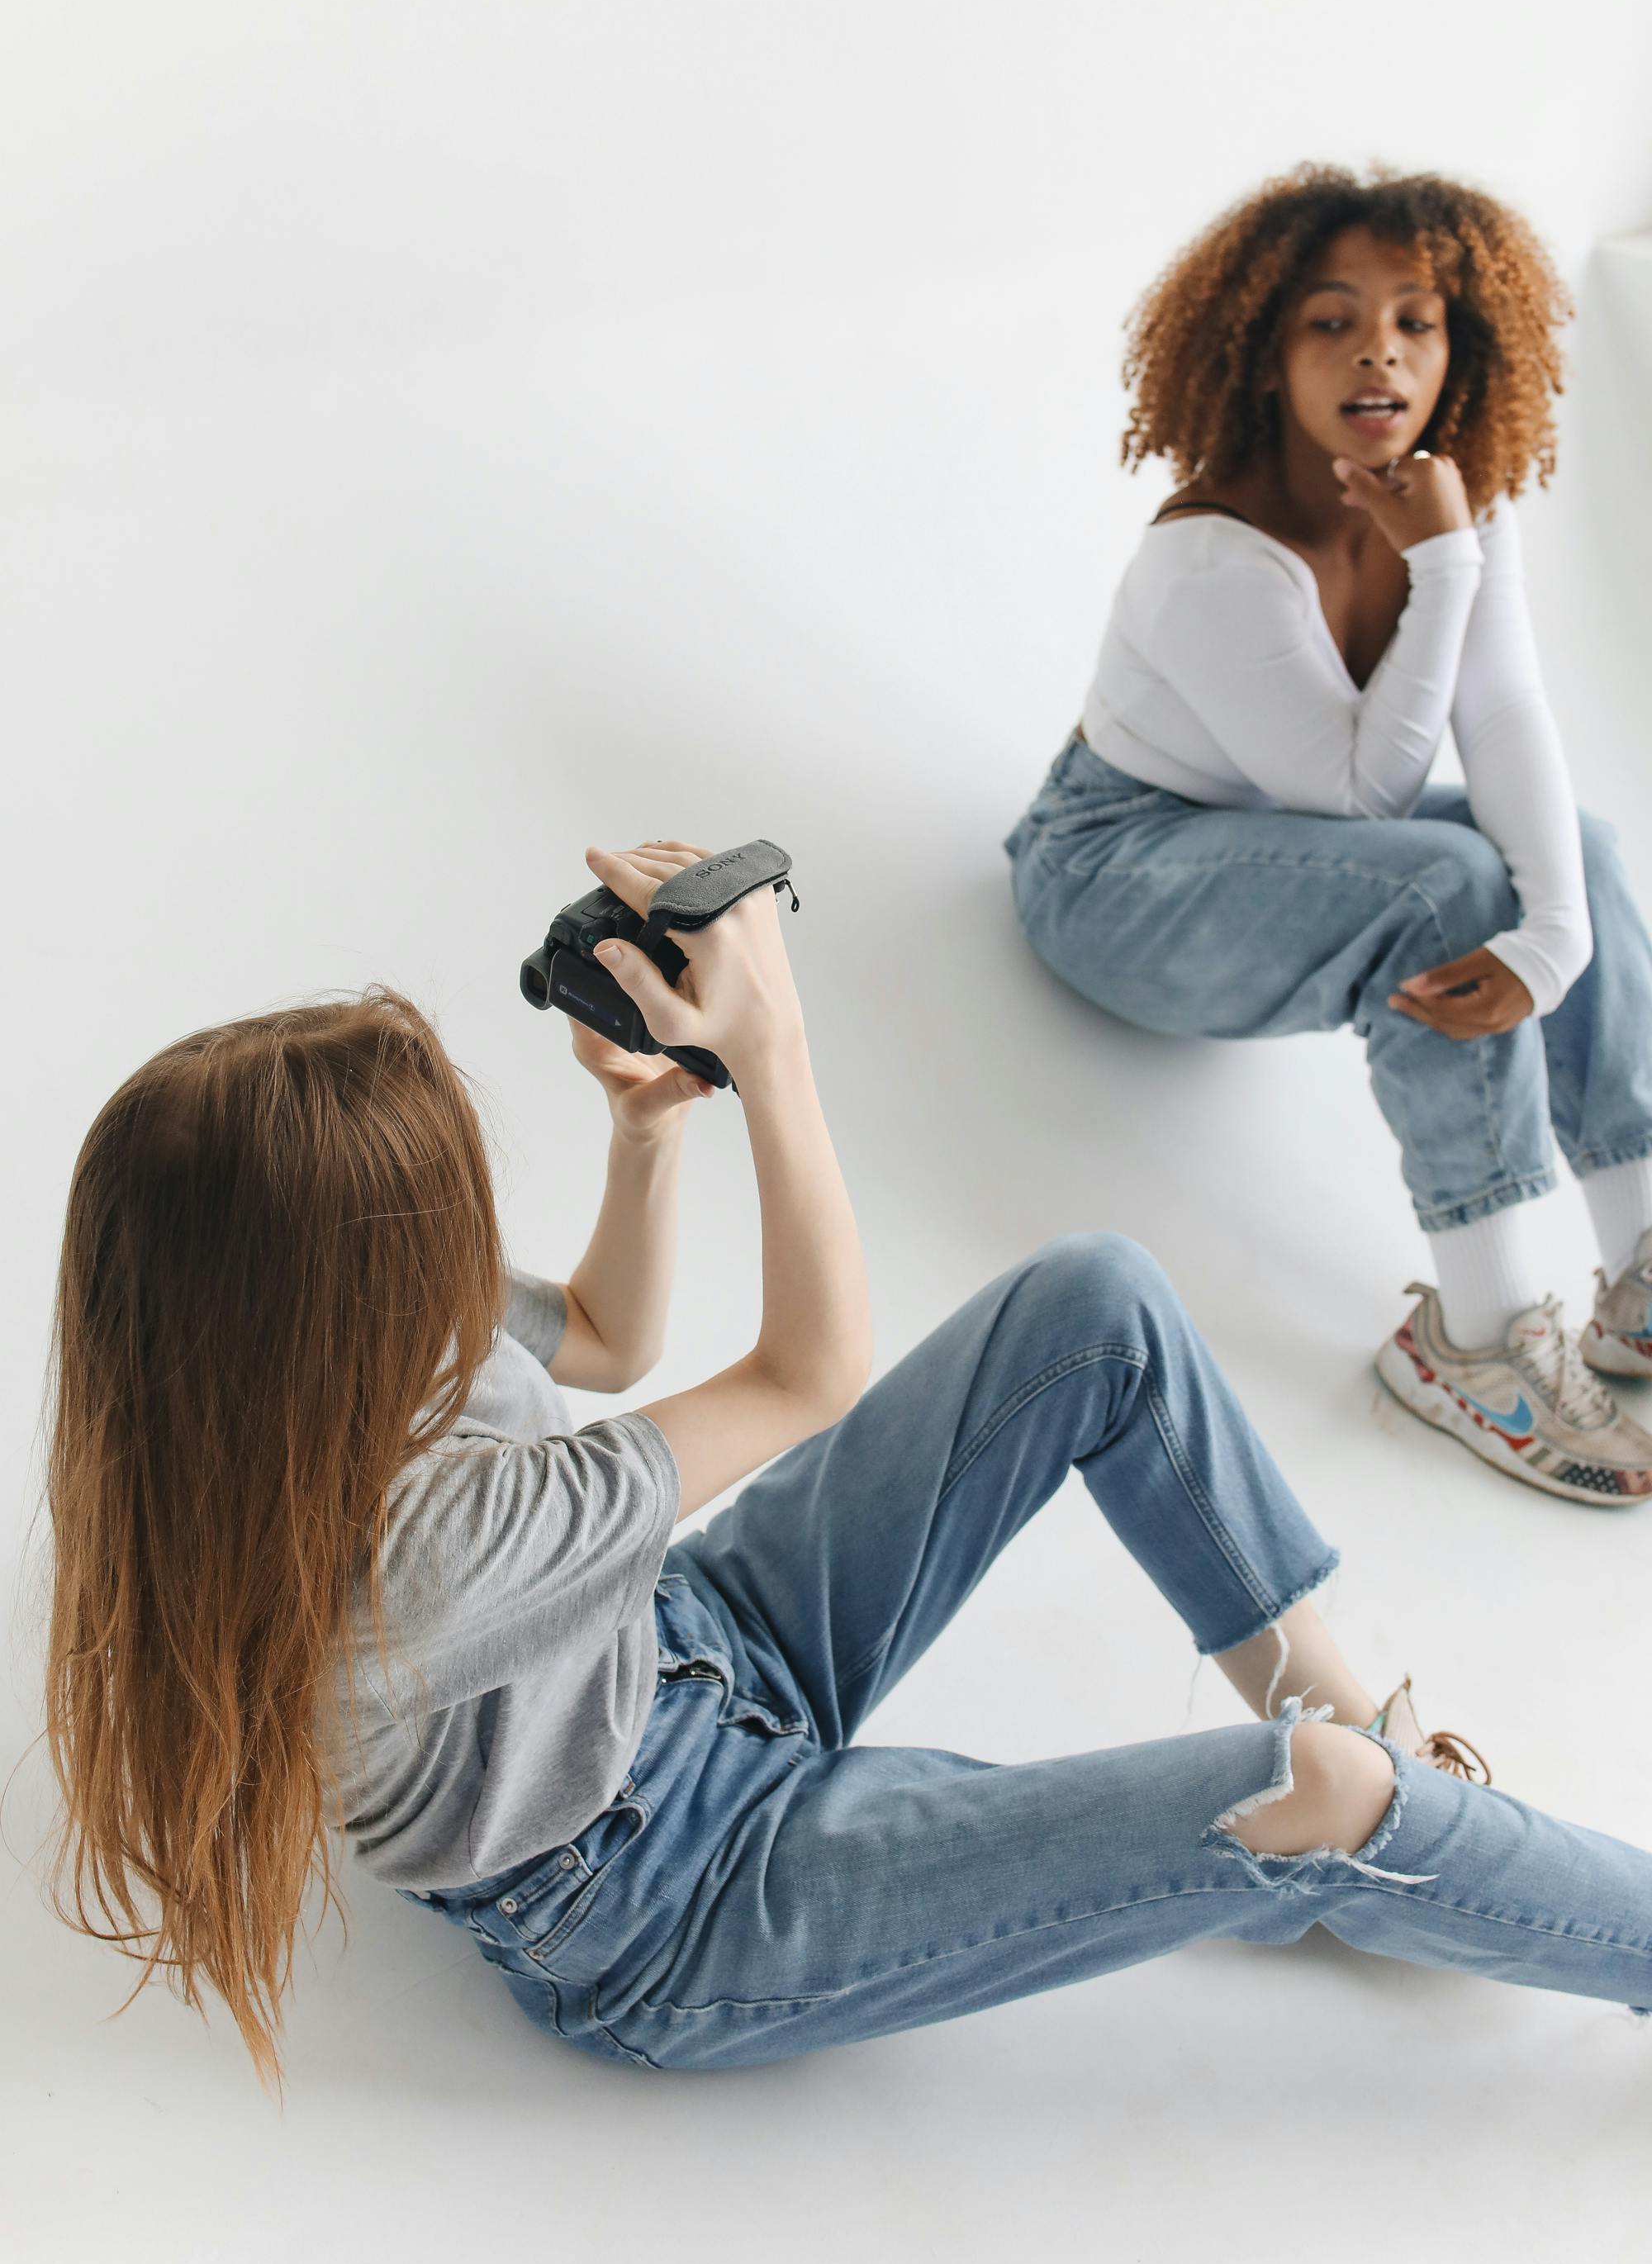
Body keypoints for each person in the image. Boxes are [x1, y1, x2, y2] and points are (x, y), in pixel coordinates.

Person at [41, 840, 1652, 2086]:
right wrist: (775, 1054)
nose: (464, 1249)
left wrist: (651, 1125)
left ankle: (1377, 1745)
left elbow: (601, 1335)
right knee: (1307, 1804)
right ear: (340, 1294)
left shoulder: (263, 1392)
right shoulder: (426, 1563)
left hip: (689, 1638)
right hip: (679, 1897)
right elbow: (805, 1374)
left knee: (1093, 1305)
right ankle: (1460, 1848)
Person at [1004, 166, 1652, 1505]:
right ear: (1263, 347)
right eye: (1333, 320)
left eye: (1418, 321)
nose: (1382, 353)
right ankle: (1472, 1339)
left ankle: (1641, 1262)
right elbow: (1358, 800)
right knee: (1453, 884)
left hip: (1282, 846)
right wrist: (1445, 570)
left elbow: (1506, 707)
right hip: (1114, 870)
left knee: (1568, 852)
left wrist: (1562, 933)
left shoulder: (1453, 496)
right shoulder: (1210, 558)